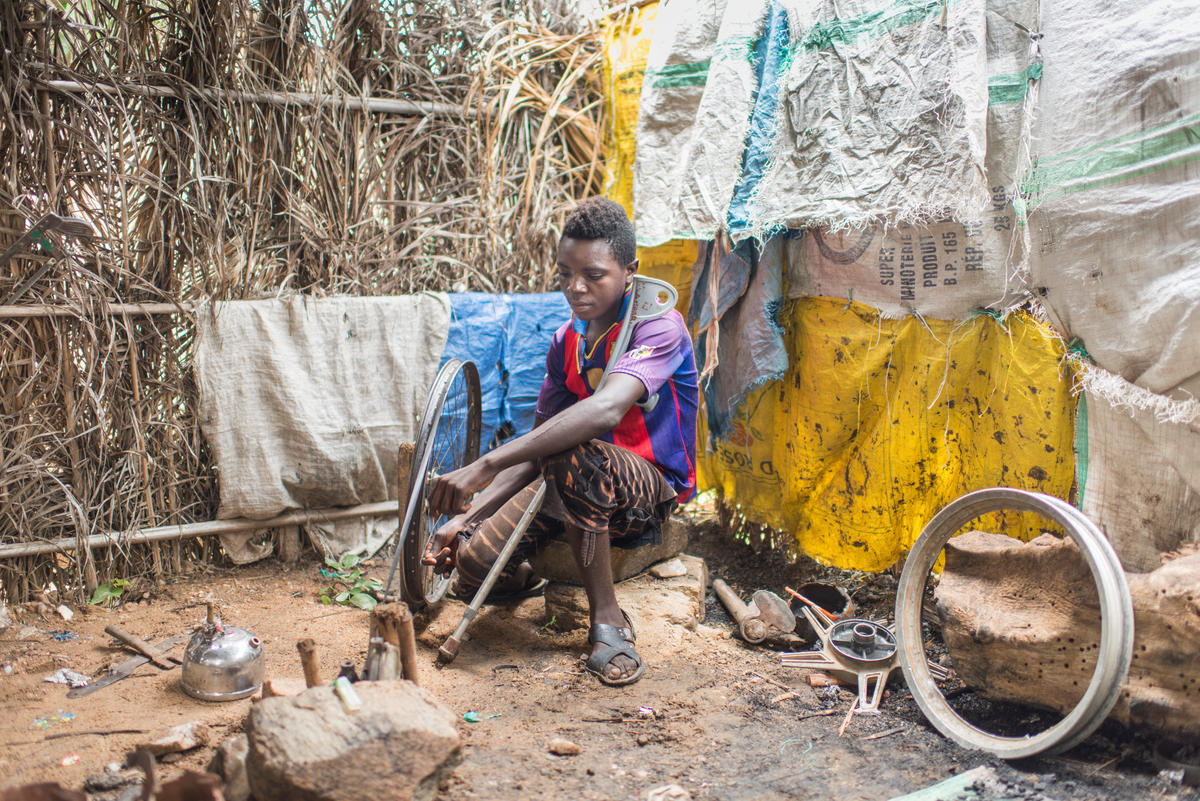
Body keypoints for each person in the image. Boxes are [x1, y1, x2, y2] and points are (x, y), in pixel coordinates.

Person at [423, 196, 698, 686]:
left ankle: (609, 621)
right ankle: (527, 573)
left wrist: (483, 464)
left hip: (646, 491)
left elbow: (606, 409)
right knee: (471, 559)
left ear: (629, 271)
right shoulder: (564, 342)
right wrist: (468, 516)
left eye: (594, 275)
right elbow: (539, 441)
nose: (576, 287)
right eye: (566, 273)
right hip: (573, 480)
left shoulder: (659, 326)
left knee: (578, 451)